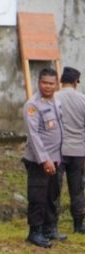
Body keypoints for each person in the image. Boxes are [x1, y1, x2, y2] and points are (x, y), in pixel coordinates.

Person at [22, 68, 65, 248]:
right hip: (39, 160)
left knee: (52, 195)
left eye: (51, 83)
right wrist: (45, 159)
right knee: (38, 196)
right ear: (39, 83)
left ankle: (49, 229)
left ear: (57, 85)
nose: (48, 86)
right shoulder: (32, 105)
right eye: (44, 83)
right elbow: (34, 136)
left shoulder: (57, 101)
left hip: (56, 158)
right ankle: (35, 232)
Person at [55, 66, 85, 234]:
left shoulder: (54, 98)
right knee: (77, 190)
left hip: (58, 151)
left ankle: (52, 225)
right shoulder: (82, 99)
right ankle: (78, 225)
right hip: (78, 151)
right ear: (75, 82)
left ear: (61, 81)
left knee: (54, 189)